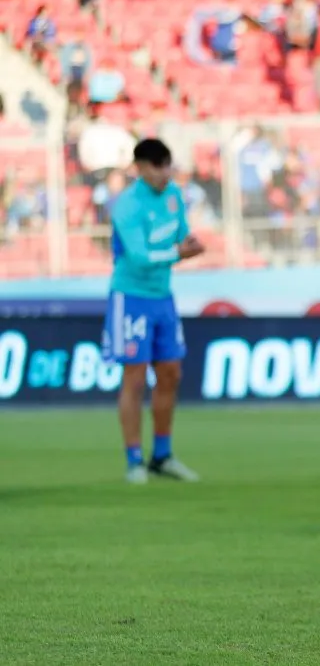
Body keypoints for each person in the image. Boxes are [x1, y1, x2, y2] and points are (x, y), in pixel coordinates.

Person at [101, 139, 205, 485]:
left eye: (167, 165)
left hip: (162, 296)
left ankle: (162, 455)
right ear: (141, 168)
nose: (165, 173)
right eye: (158, 166)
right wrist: (180, 254)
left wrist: (190, 244)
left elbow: (181, 235)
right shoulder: (127, 205)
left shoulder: (174, 194)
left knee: (171, 373)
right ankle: (134, 460)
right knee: (134, 377)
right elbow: (139, 257)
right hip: (130, 297)